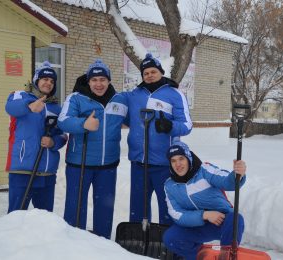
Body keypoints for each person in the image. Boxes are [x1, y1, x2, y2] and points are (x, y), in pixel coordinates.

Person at [58, 59, 127, 239]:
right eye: (94, 80)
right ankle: (73, 240)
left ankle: (101, 242)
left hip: (108, 164)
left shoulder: (119, 100)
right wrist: (83, 124)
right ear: (88, 81)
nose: (99, 84)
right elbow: (63, 121)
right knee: (75, 205)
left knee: (105, 207)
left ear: (109, 81)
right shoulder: (75, 98)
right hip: (79, 163)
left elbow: (133, 120)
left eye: (103, 79)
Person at [122, 53, 193, 225]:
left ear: (161, 72)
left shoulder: (175, 94)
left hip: (164, 163)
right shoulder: (134, 95)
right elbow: (126, 118)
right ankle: (137, 237)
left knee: (167, 205)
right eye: (145, 73)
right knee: (137, 206)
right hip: (139, 162)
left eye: (153, 71)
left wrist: (170, 126)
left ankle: (166, 241)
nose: (149, 75)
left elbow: (187, 125)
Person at [162, 141, 246, 260]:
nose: (178, 164)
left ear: (188, 158)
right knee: (170, 238)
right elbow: (177, 214)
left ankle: (226, 256)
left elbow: (227, 181)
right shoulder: (169, 185)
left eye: (181, 158)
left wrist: (238, 175)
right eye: (173, 161)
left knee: (236, 219)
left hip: (221, 221)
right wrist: (204, 215)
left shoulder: (204, 170)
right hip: (197, 224)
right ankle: (200, 257)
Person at [5, 61, 67, 213]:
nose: (48, 83)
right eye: (45, 79)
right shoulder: (20, 96)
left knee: (44, 220)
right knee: (15, 216)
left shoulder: (56, 108)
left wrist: (53, 142)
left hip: (47, 172)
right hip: (22, 169)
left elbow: (63, 135)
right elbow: (10, 107)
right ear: (36, 80)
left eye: (52, 81)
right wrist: (29, 106)